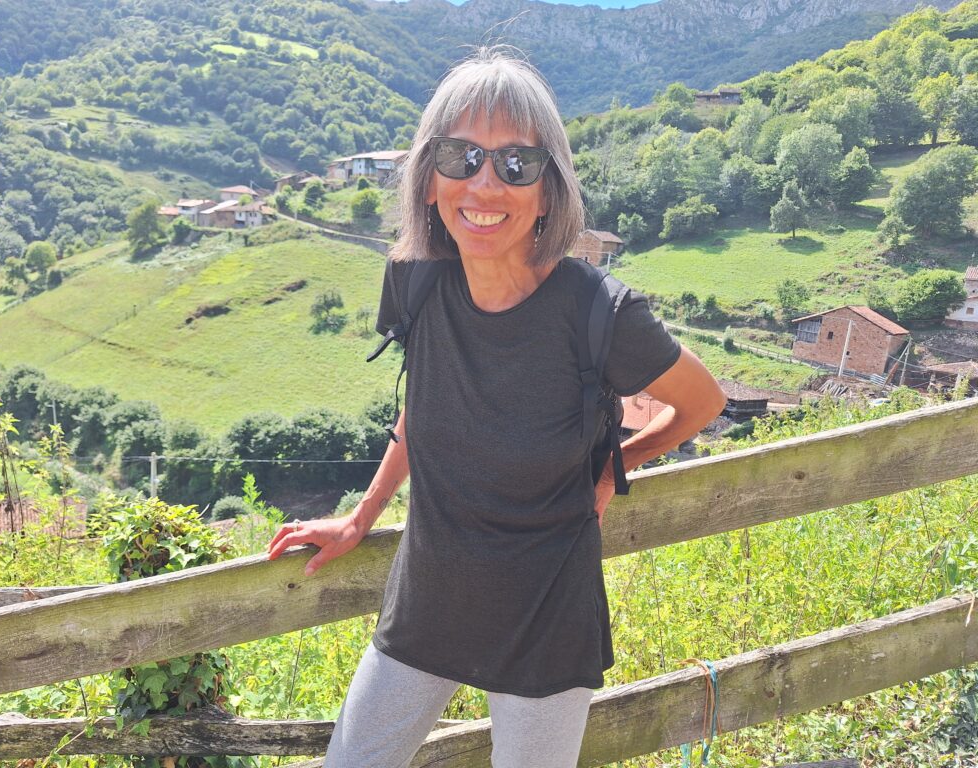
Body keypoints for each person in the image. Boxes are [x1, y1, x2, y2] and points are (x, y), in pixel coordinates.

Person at [267, 47, 727, 768]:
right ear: (428, 180)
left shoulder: (598, 312)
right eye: (461, 157)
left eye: (517, 164)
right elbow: (424, 405)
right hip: (429, 600)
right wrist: (362, 516)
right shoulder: (414, 280)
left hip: (546, 617)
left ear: (549, 191)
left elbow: (703, 402)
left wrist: (615, 466)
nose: (485, 182)